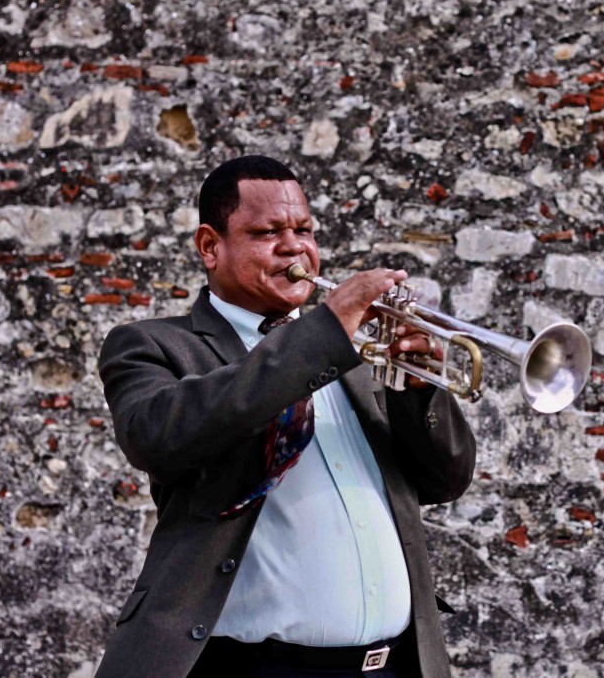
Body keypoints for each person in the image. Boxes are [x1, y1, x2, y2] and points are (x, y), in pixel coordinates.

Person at [95, 155, 476, 677]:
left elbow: (444, 481)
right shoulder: (155, 345)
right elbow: (158, 436)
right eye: (267, 231)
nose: (295, 246)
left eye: (304, 229)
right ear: (210, 246)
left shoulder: (357, 357)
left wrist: (417, 390)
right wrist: (320, 336)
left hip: (393, 665)